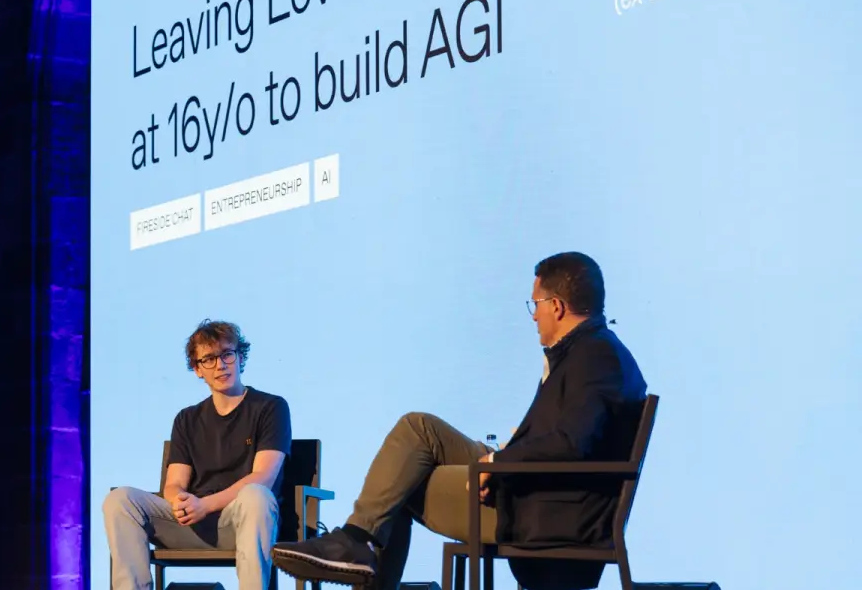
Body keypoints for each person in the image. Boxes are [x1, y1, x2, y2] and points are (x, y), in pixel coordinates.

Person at [272, 252, 647, 590]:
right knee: (418, 429)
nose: (534, 316)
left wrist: (497, 464)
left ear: (558, 306)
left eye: (536, 305)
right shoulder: (590, 352)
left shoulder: (595, 357)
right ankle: (355, 539)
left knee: (400, 484)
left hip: (546, 510)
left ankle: (354, 541)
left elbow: (571, 442)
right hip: (537, 488)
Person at [103, 319, 293, 590]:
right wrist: (181, 501)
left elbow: (263, 476)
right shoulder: (187, 418)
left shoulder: (270, 407)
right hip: (193, 523)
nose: (220, 365)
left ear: (240, 357)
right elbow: (174, 484)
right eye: (209, 359)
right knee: (120, 499)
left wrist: (205, 505)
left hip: (243, 522)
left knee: (256, 495)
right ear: (197, 369)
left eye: (227, 354)